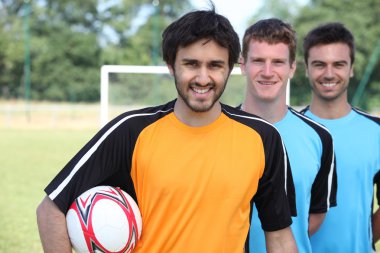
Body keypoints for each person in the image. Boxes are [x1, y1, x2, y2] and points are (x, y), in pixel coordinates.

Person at [36, 6, 298, 253]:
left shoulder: (263, 138)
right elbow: (50, 211)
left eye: (215, 66)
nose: (203, 78)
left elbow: (279, 237)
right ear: (171, 65)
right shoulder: (131, 130)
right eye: (191, 64)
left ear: (230, 68)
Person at [239, 18, 337, 253]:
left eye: (278, 62)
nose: (268, 72)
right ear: (242, 64)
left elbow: (316, 212)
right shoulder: (219, 130)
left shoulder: (320, 138)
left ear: (292, 67)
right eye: (258, 61)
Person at [301, 22, 380, 252]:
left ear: (351, 68)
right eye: (319, 64)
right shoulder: (286, 132)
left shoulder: (376, 132)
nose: (328, 73)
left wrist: (363, 242)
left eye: (338, 64)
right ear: (306, 68)